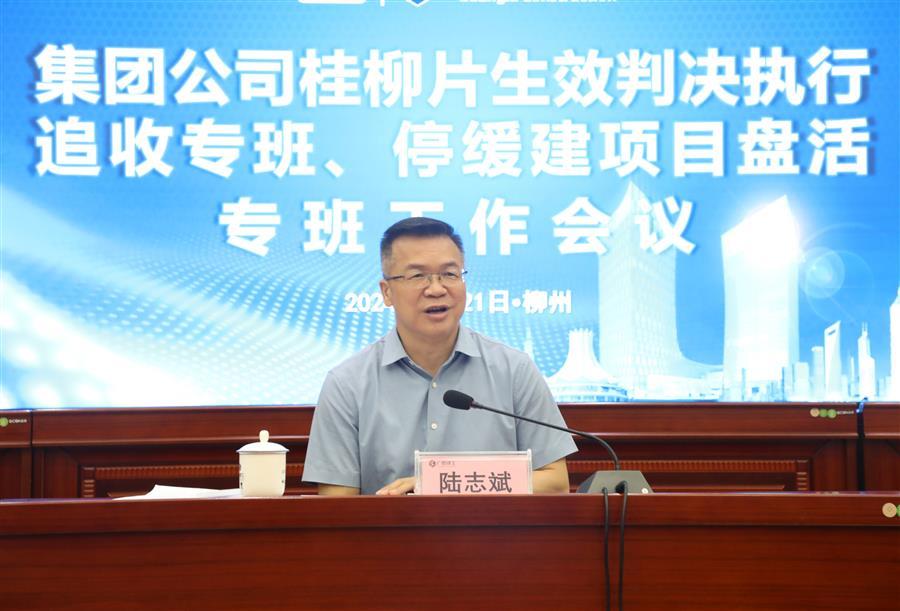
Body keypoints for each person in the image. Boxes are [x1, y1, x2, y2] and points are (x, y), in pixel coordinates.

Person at [302, 217, 577, 495]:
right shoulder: (347, 385)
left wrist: (440, 483)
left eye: (449, 274)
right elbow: (337, 504)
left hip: (492, 527)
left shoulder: (514, 370)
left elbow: (555, 484)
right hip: (393, 527)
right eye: (417, 276)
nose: (436, 289)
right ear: (387, 292)